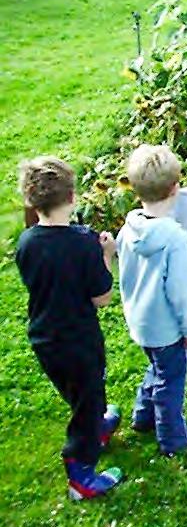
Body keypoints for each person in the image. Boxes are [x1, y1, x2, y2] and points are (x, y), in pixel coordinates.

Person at [15, 156, 123, 500]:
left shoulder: (27, 242)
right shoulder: (84, 243)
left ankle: (98, 427)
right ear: (73, 198)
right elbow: (102, 297)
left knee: (81, 393)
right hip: (79, 339)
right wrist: (107, 254)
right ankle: (81, 474)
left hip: (45, 338)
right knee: (87, 400)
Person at [117, 145, 187, 456]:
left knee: (157, 367)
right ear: (175, 188)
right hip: (167, 328)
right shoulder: (174, 238)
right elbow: (180, 291)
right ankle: (173, 439)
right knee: (171, 381)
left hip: (140, 320)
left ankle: (142, 416)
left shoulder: (129, 228)